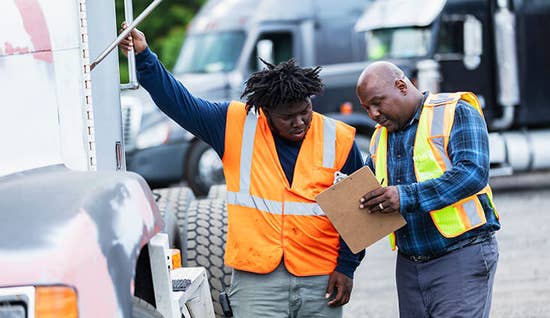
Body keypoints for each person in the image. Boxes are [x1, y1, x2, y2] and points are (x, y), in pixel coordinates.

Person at [119, 24, 365, 317]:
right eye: (287, 118)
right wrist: (145, 57)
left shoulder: (338, 139)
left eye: (305, 112)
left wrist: (347, 267)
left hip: (320, 278)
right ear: (266, 112)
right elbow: (179, 103)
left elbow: (358, 213)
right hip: (258, 282)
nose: (299, 123)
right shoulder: (234, 124)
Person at [356, 61, 500, 318]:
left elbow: (472, 173)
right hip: (410, 263)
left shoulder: (455, 111)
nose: (374, 114)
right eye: (367, 108)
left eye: (378, 102)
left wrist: (405, 196)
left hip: (461, 253)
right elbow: (373, 190)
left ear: (401, 86)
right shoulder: (380, 138)